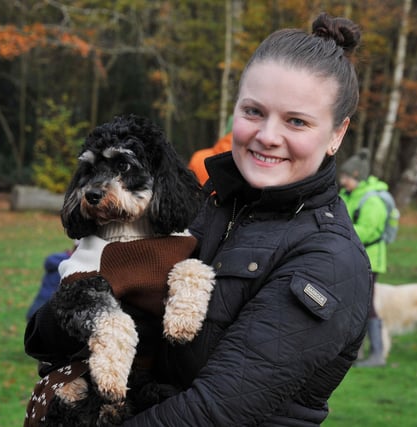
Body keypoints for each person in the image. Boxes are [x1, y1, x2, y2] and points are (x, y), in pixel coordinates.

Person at [124, 13, 371, 426]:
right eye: (254, 111)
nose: (268, 135)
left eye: (296, 121)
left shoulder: (329, 261)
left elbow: (215, 411)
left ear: (336, 134)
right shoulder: (208, 204)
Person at [338, 148, 389, 367]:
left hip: (369, 260)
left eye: (347, 177)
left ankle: (378, 353)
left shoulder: (372, 200)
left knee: (366, 306)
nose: (343, 181)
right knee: (350, 305)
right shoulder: (346, 195)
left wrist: (339, 230)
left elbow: (369, 230)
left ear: (358, 176)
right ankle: (354, 352)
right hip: (349, 256)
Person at [25, 244, 76, 321]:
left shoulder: (76, 266)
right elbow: (49, 261)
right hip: (46, 297)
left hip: (56, 302)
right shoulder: (62, 259)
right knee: (34, 319)